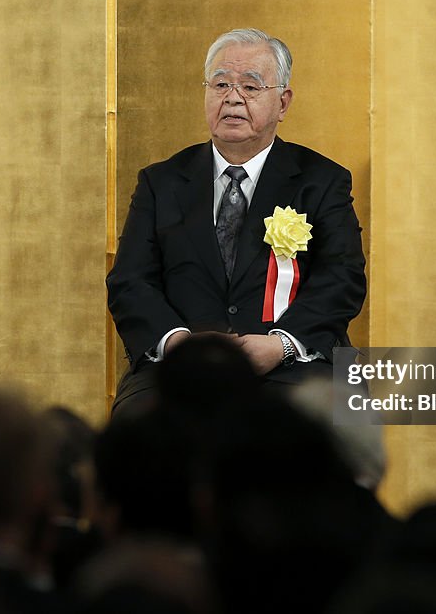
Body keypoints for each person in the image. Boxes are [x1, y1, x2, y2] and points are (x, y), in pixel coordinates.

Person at [106, 28, 366, 415]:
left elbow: (342, 276)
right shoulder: (161, 182)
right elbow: (130, 280)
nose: (232, 98)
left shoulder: (321, 180)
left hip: (289, 365)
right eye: (221, 84)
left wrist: (280, 344)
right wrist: (177, 342)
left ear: (283, 102)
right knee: (139, 422)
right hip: (179, 367)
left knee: (316, 422)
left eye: (251, 86)